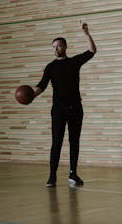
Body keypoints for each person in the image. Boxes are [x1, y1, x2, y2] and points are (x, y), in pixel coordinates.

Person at [33, 21, 97, 187]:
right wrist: (32, 95)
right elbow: (41, 85)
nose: (55, 49)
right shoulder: (50, 67)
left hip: (76, 108)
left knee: (74, 141)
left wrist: (86, 34)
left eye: (59, 46)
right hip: (59, 110)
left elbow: (92, 51)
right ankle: (52, 175)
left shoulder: (74, 62)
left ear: (65, 47)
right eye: (53, 47)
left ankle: (73, 174)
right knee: (57, 142)